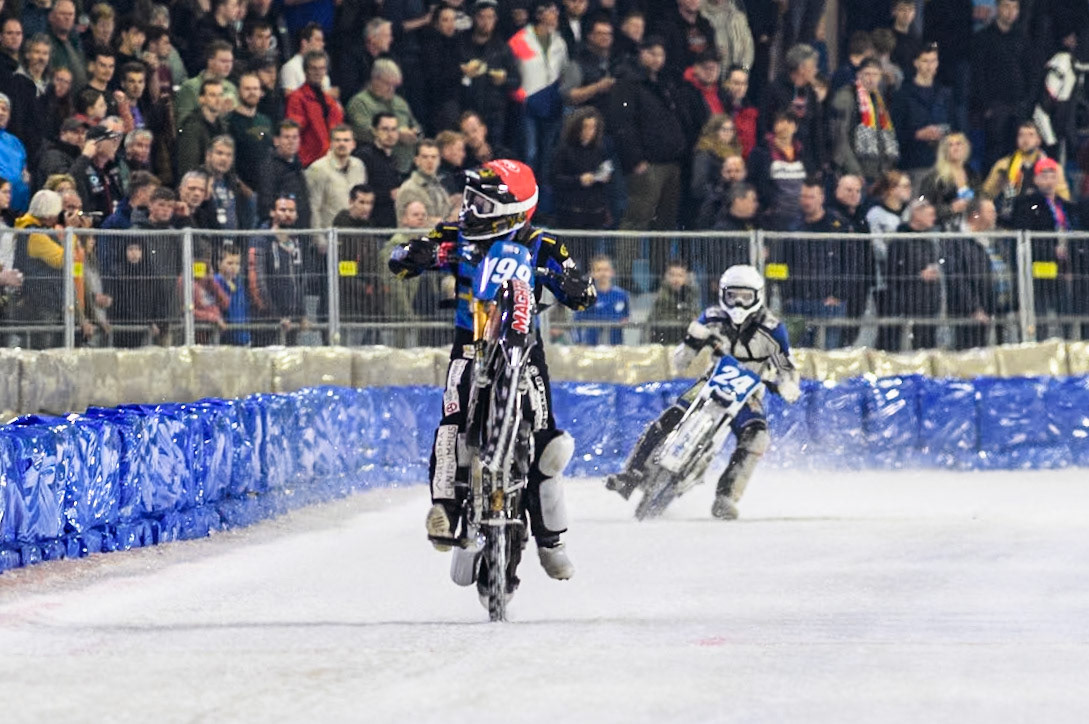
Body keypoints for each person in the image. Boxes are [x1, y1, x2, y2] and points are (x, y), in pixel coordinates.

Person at [388, 158, 596, 585]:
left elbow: (581, 291)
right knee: (451, 420)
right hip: (470, 342)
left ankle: (550, 540)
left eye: (481, 204)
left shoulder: (543, 244)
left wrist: (574, 286)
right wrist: (414, 254)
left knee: (546, 439)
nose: (470, 210)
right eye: (470, 200)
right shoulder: (455, 236)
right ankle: (445, 510)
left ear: (513, 209)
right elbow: (402, 259)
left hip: (524, 346)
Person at [605, 264, 801, 520]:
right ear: (722, 294)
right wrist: (691, 340)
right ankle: (631, 474)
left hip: (749, 392)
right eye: (733, 295)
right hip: (711, 382)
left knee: (757, 436)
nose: (738, 303)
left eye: (745, 296)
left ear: (758, 296)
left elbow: (787, 366)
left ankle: (726, 496)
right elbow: (680, 362)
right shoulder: (711, 316)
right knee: (671, 415)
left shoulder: (773, 327)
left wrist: (789, 384)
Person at [982, 121, 1070, 227]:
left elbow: (1063, 197)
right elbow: (986, 194)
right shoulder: (1004, 165)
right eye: (1021, 135)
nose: (1025, 139)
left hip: (1043, 216)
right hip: (1012, 216)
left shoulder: (1052, 167)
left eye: (1031, 135)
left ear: (1039, 140)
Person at [248, 192, 307, 345]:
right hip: (266, 322)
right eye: (282, 210)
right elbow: (257, 282)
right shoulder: (260, 239)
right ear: (272, 212)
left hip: (292, 321)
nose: (287, 214)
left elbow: (300, 280)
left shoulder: (297, 241)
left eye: (291, 210)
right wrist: (276, 317)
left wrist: (302, 314)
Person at [830, 57, 899, 184]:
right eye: (867, 74)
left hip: (876, 172)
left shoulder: (878, 99)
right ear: (858, 75)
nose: (871, 79)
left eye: (875, 75)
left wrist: (885, 169)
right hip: (853, 171)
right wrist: (854, 170)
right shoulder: (846, 97)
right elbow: (840, 138)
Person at [891, 42, 952, 185]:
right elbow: (894, 131)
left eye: (933, 61)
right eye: (925, 61)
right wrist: (917, 134)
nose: (929, 66)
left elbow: (953, 125)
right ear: (916, 63)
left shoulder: (944, 93)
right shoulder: (903, 95)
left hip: (940, 162)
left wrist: (942, 131)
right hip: (913, 163)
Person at [887, 197, 942, 350]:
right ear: (917, 214)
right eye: (930, 214)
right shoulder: (899, 241)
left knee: (927, 345)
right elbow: (892, 273)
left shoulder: (928, 241)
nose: (934, 219)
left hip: (928, 303)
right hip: (906, 303)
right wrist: (918, 276)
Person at [550, 106, 610, 236]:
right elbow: (554, 178)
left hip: (595, 212)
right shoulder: (563, 150)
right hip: (570, 212)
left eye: (592, 127)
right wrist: (578, 180)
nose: (589, 132)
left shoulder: (600, 150)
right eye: (585, 127)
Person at [285, 50, 344, 166]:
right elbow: (294, 130)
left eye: (322, 68)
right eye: (313, 68)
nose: (318, 72)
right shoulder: (296, 98)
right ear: (305, 71)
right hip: (309, 162)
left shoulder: (330, 101)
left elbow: (338, 128)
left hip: (331, 160)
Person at [305, 124, 366, 229]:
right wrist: (318, 236)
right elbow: (313, 207)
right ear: (331, 143)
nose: (342, 144)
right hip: (329, 233)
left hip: (355, 232)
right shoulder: (317, 169)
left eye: (346, 140)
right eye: (337, 140)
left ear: (353, 144)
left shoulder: (359, 166)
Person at [919, 132, 979, 230]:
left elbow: (979, 199)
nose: (955, 148)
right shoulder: (934, 177)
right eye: (950, 145)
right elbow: (924, 206)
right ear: (944, 150)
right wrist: (951, 209)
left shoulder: (972, 174)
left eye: (959, 144)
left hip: (969, 225)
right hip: (942, 227)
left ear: (966, 148)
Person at [354, 111, 403, 228]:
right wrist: (388, 194)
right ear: (375, 131)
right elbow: (357, 190)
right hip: (370, 224)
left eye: (393, 129)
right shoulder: (364, 156)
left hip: (390, 222)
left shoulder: (394, 159)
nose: (390, 134)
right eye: (385, 129)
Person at [395, 138, 452, 227]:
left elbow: (448, 215)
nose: (430, 161)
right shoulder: (409, 189)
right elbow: (415, 223)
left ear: (439, 161)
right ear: (416, 161)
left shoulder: (440, 189)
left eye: (434, 157)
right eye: (425, 157)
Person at [573, 254, 629, 345]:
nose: (603, 274)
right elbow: (577, 323)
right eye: (599, 270)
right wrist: (578, 343)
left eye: (606, 270)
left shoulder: (622, 295)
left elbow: (626, 318)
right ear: (592, 274)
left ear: (612, 272)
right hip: (591, 347)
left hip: (615, 347)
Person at [646, 259, 702, 345]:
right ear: (666, 276)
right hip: (664, 342)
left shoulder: (691, 295)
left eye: (680, 275)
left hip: (685, 343)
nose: (676, 279)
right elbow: (654, 322)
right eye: (672, 275)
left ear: (686, 277)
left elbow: (696, 317)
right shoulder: (661, 297)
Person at [213, 243, 250, 345]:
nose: (234, 267)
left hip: (242, 338)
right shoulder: (215, 283)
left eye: (237, 264)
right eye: (230, 263)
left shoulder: (239, 284)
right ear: (219, 263)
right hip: (224, 339)